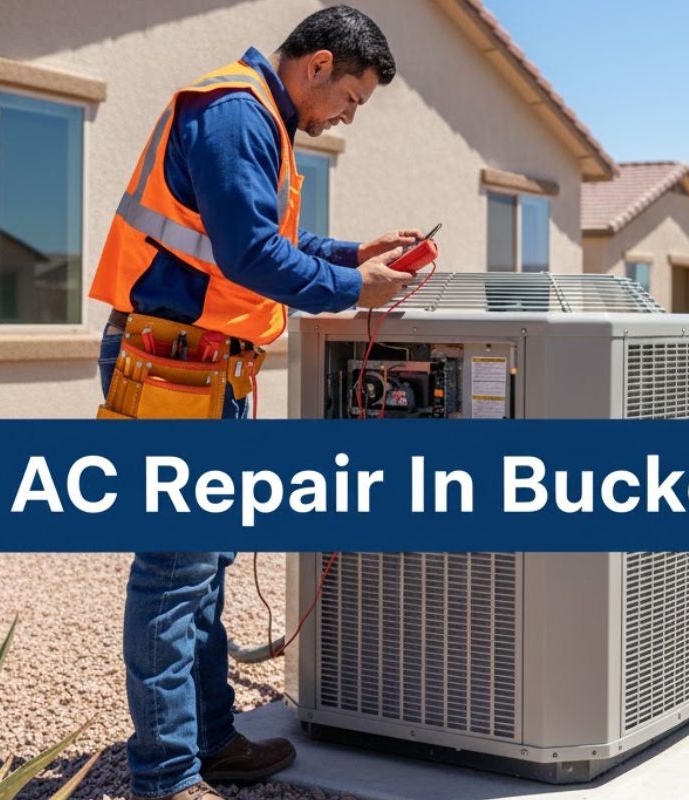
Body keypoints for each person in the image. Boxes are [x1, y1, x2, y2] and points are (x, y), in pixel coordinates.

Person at [88, 7, 414, 799]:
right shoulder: (236, 111)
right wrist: (351, 289)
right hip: (169, 368)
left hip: (207, 373)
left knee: (203, 569)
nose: (347, 116)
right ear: (319, 64)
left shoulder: (261, 117)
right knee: (173, 572)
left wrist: (348, 252)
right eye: (351, 99)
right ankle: (166, 776)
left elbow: (254, 235)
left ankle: (211, 739)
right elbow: (250, 254)